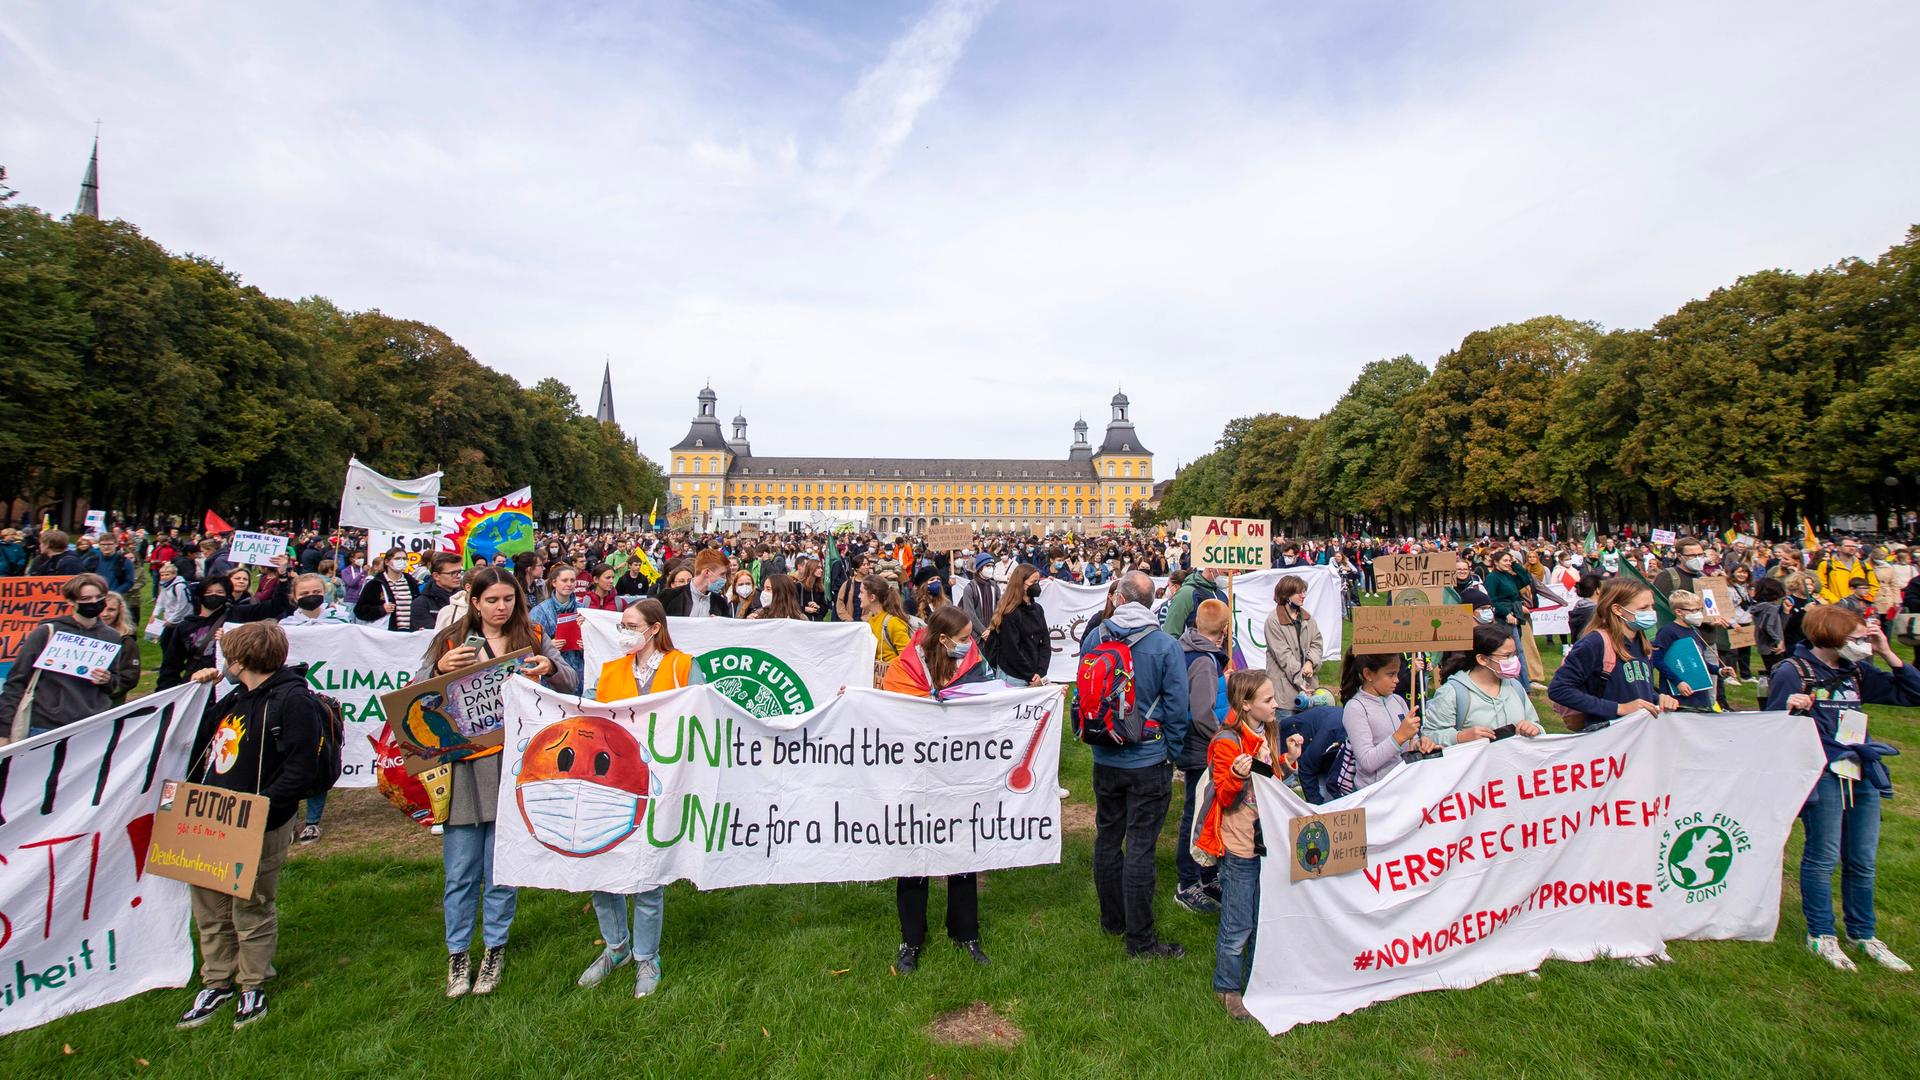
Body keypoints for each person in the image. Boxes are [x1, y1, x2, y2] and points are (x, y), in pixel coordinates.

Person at [422, 567, 577, 999]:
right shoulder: (450, 642)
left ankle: (494, 948)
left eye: (508, 599)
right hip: (465, 769)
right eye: (492, 600)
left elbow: (571, 680)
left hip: (514, 763)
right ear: (474, 602)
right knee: (460, 869)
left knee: (500, 869)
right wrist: (437, 669)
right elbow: (417, 695)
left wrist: (549, 666)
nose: (501, 607)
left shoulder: (531, 634)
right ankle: (458, 953)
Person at [171, 621, 325, 1030]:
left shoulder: (294, 702)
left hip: (259, 821)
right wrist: (204, 690)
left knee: (250, 903)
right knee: (209, 905)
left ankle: (252, 982)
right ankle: (217, 979)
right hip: (214, 813)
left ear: (238, 660)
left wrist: (261, 809)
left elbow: (300, 767)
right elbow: (200, 740)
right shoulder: (236, 697)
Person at [1765, 605, 1920, 972]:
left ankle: (1863, 933)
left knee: (1862, 859)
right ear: (1832, 637)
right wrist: (1791, 707)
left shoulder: (1857, 671)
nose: (1864, 645)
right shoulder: (1793, 671)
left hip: (1861, 769)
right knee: (1823, 856)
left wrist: (1886, 651)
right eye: (1858, 639)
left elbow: (1912, 693)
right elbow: (1771, 726)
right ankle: (1822, 934)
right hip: (1823, 773)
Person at [577, 600, 691, 998]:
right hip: (611, 780)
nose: (623, 631)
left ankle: (646, 955)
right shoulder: (609, 671)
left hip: (660, 780)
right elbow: (585, 714)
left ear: (654, 629)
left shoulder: (682, 666)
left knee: (648, 872)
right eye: (620, 625)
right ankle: (615, 946)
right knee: (601, 863)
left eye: (630, 625)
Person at [875, 607, 994, 974]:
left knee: (963, 852)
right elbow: (885, 717)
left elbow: (992, 701)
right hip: (915, 777)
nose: (969, 644)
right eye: (962, 639)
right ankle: (911, 940)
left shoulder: (973, 661)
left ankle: (965, 933)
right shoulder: (904, 670)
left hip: (959, 773)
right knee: (914, 858)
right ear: (942, 640)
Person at [1082, 572, 1190, 959]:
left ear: (1120, 598)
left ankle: (1112, 919)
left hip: (1104, 753)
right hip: (1148, 756)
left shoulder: (1096, 636)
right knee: (1141, 846)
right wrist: (1172, 751)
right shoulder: (1165, 645)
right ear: (1151, 602)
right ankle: (1140, 940)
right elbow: (1178, 706)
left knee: (1108, 838)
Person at [1196, 670, 1302, 1021]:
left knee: (1262, 915)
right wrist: (1237, 775)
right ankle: (1227, 988)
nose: (1276, 704)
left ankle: (1257, 978)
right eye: (1269, 700)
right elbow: (1225, 797)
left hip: (1267, 840)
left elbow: (1270, 781)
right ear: (1246, 705)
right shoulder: (1227, 742)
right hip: (1240, 844)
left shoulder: (1268, 730)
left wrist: (1286, 759)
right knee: (1238, 921)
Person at [0, 574, 140, 738]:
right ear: (71, 602)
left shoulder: (112, 637)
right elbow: (17, 681)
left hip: (93, 725)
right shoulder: (46, 633)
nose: (94, 602)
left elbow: (114, 682)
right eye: (86, 598)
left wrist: (107, 679)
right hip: (47, 726)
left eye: (99, 597)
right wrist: (3, 731)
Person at [1547, 578, 1678, 736]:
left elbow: (1635, 688)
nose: (1651, 613)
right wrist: (1618, 708)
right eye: (1643, 608)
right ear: (1617, 609)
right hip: (1608, 739)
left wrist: (1659, 698)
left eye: (1652, 607)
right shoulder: (1595, 642)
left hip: (1639, 736)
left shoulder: (1642, 643)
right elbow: (1559, 689)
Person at [1173, 598, 1232, 915]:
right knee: (1197, 815)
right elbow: (1202, 713)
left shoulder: (1187, 649)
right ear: (1223, 631)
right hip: (1201, 747)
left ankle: (1207, 876)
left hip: (1195, 743)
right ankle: (1188, 882)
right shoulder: (1205, 662)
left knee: (1204, 813)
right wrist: (1225, 738)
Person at [1420, 625, 1543, 745]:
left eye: (1514, 654)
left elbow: (1536, 724)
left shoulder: (1515, 686)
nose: (1514, 660)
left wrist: (1534, 728)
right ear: (1482, 659)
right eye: (1506, 656)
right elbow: (1429, 736)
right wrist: (1459, 737)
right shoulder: (1452, 692)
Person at [1340, 651, 1431, 789]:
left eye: (1397, 673)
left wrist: (1421, 744)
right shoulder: (1355, 708)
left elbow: (1412, 741)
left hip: (1403, 786)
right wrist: (1399, 736)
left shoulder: (1398, 700)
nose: (1397, 680)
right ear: (1368, 674)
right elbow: (1367, 761)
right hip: (1375, 793)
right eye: (1391, 674)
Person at [1651, 590, 1728, 711]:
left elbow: (1699, 662)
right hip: (1679, 695)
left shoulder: (1695, 631)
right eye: (1693, 610)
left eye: (1699, 609)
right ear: (1679, 612)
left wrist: (1719, 670)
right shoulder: (1668, 631)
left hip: (1699, 693)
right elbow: (1657, 659)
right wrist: (1678, 682)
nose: (1698, 614)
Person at [157, 576, 235, 689]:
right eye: (208, 592)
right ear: (200, 595)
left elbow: (268, 607)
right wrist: (165, 694)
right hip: (196, 686)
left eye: (219, 592)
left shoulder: (234, 618)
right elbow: (171, 665)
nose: (214, 595)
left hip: (227, 687)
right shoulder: (185, 627)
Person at [981, 564, 1050, 687]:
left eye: (1038, 581)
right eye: (1033, 582)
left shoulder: (1038, 609)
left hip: (1033, 674)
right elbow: (1011, 650)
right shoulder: (1010, 613)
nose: (1037, 585)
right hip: (1013, 675)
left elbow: (1045, 643)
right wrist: (1030, 674)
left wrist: (1040, 671)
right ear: (1021, 584)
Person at [1262, 575, 1323, 714]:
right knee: (1286, 733)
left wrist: (1310, 662)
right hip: (1285, 694)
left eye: (1304, 591)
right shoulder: (1273, 621)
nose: (1303, 595)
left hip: (1309, 690)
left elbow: (1317, 643)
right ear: (1286, 595)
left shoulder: (1307, 618)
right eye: (1298, 592)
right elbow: (1284, 656)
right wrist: (1300, 680)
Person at [1483, 549, 1538, 689]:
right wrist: (1506, 613)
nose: (1508, 563)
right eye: (1505, 561)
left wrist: (1515, 564)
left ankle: (1522, 683)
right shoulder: (1492, 578)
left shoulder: (1508, 576)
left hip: (1515, 614)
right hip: (1504, 617)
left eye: (1509, 560)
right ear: (1496, 563)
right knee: (1513, 650)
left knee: (1518, 650)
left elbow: (1525, 579)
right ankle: (1517, 683)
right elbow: (1491, 599)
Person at [528, 564, 588, 683]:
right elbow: (529, 646)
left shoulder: (583, 609)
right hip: (553, 676)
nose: (569, 584)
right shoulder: (539, 611)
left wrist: (586, 644)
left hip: (580, 672)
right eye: (564, 580)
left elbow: (594, 645)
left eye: (572, 580)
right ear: (554, 583)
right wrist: (548, 646)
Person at [862, 572, 914, 670]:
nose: (859, 596)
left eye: (861, 593)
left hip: (895, 680)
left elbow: (908, 658)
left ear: (872, 597)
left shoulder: (893, 622)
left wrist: (888, 665)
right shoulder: (870, 621)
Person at [657, 549, 730, 618]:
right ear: (707, 572)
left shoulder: (720, 603)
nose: (724, 579)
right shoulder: (669, 597)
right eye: (722, 574)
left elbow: (727, 629)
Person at [1159, 564, 1226, 634]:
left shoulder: (1222, 595)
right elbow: (1171, 633)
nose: (1233, 572)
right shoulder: (1186, 593)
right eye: (1226, 571)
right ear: (1211, 568)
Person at [1814, 537, 1877, 605]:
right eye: (1848, 546)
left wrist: (1865, 599)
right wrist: (1835, 601)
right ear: (1838, 548)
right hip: (1836, 607)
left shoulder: (1864, 566)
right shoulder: (1826, 565)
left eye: (1854, 546)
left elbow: (1874, 586)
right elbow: (1821, 587)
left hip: (1859, 607)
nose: (1852, 548)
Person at [279, 573, 354, 628]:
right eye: (304, 593)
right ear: (295, 597)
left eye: (316, 592)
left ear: (324, 593)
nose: (311, 595)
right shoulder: (286, 626)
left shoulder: (342, 621)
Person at [94, 534, 140, 622]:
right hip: (96, 599)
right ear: (99, 545)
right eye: (103, 544)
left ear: (116, 544)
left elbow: (129, 582)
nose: (106, 547)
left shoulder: (124, 562)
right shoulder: (91, 561)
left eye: (109, 544)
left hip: (116, 599)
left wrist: (114, 594)